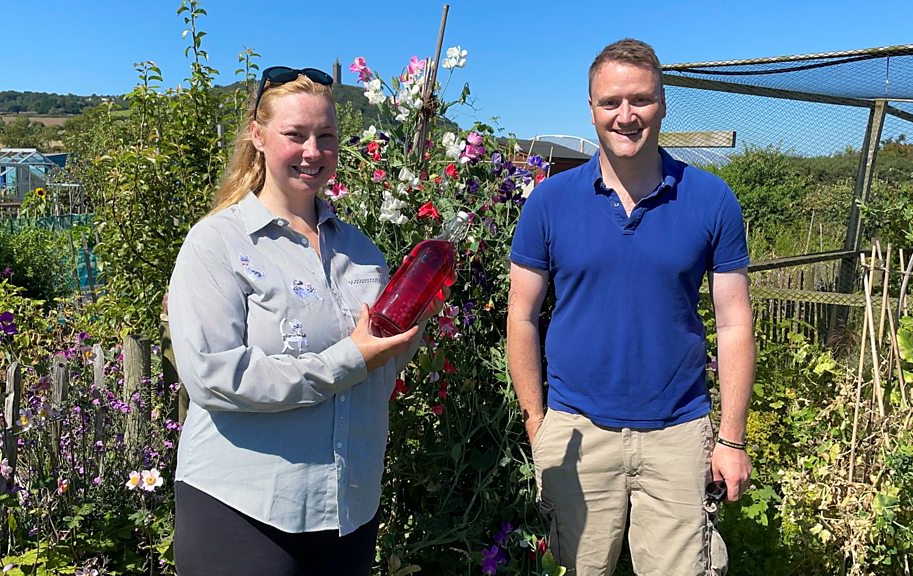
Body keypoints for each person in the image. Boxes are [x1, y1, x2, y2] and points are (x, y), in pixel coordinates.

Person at [167, 66, 443, 575]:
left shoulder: (361, 252)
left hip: (347, 509)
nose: (313, 151)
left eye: (326, 136)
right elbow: (214, 376)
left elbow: (377, 367)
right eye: (295, 135)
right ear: (258, 135)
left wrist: (412, 324)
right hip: (244, 507)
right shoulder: (218, 244)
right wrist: (348, 358)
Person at [506, 39, 755, 576]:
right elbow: (521, 316)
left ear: (662, 103)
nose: (626, 116)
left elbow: (735, 323)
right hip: (576, 430)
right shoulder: (549, 202)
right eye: (610, 102)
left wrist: (731, 439)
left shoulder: (711, 200)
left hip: (677, 433)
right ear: (591, 108)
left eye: (640, 100)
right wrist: (537, 425)